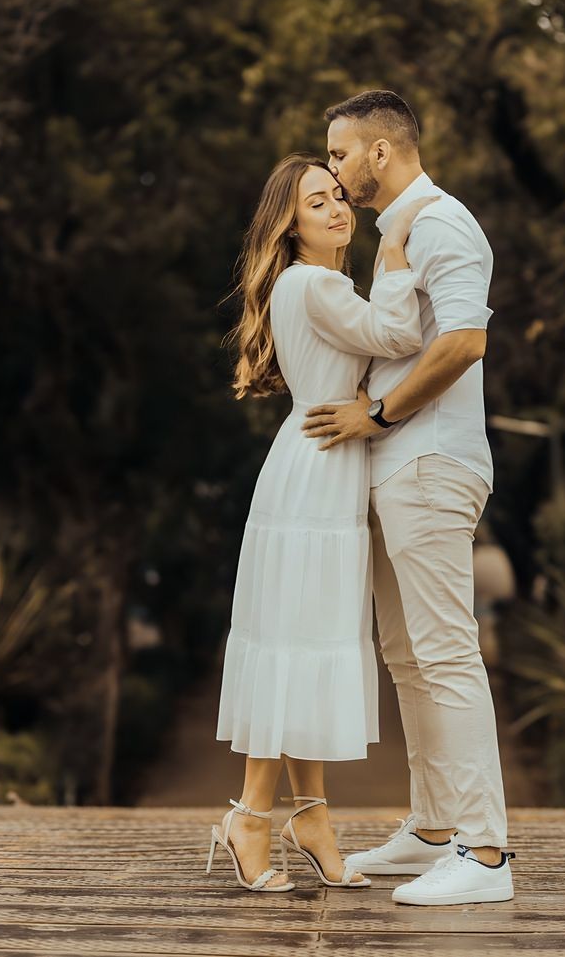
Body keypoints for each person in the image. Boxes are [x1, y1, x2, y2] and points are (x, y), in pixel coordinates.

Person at [302, 90, 516, 907]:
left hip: (428, 462)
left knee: (446, 650)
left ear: (380, 153)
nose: (333, 167)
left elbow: (464, 340)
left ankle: (486, 853)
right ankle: (431, 828)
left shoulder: (439, 223)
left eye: (339, 153)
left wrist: (379, 411)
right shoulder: (396, 232)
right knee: (406, 654)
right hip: (394, 466)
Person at [208, 152, 435, 892]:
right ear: (292, 223)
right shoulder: (316, 283)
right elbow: (398, 334)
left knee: (303, 643)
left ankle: (311, 813)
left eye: (339, 196)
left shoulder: (309, 283)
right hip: (315, 476)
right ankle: (249, 814)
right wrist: (397, 254)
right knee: (296, 643)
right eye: (317, 201)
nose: (338, 208)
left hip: (318, 468)